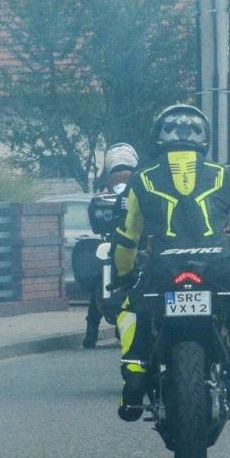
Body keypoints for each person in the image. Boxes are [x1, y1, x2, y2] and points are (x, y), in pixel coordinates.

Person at [112, 104, 230, 420]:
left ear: (159, 137)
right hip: (218, 268)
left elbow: (127, 237)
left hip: (163, 270)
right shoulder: (224, 176)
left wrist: (123, 275)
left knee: (131, 309)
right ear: (204, 138)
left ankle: (135, 371)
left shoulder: (141, 180)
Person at [81, 143, 138, 348]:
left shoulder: (111, 187)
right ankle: (93, 331)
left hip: (118, 240)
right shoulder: (138, 182)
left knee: (99, 281)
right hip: (129, 241)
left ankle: (91, 332)